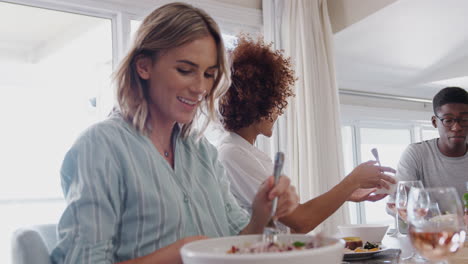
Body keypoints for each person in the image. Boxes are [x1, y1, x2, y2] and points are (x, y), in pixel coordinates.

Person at [50, 4, 299, 264]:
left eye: (209, 74)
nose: (201, 87)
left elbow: (235, 243)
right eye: (185, 70)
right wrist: (179, 255)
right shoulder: (100, 147)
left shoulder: (204, 154)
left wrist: (261, 215)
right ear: (144, 66)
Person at [217, 35, 396, 233]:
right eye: (275, 103)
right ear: (256, 102)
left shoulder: (247, 152)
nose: (280, 111)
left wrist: (347, 192)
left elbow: (289, 223)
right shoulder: (233, 154)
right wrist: (352, 181)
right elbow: (301, 221)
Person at [397, 86, 468, 198]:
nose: (457, 127)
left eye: (464, 120)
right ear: (435, 122)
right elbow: (399, 204)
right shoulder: (416, 154)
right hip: (428, 216)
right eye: (448, 120)